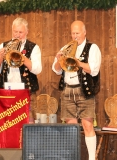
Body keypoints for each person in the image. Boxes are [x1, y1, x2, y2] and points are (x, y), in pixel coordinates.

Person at [52, 20, 101, 160]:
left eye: (77, 33)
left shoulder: (93, 48)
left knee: (87, 124)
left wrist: (77, 62)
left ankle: (92, 158)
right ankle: (72, 157)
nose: (75, 36)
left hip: (84, 90)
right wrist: (57, 60)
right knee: (71, 127)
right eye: (73, 33)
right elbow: (56, 71)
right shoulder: (65, 47)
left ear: (84, 32)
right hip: (67, 90)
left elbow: (94, 70)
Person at [0, 17, 42, 123]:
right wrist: (0, 59)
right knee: (8, 124)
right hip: (6, 92)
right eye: (15, 32)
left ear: (27, 32)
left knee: (29, 123)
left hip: (27, 92)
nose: (17, 35)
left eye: (21, 32)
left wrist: (22, 57)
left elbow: (37, 69)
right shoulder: (3, 46)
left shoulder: (33, 47)